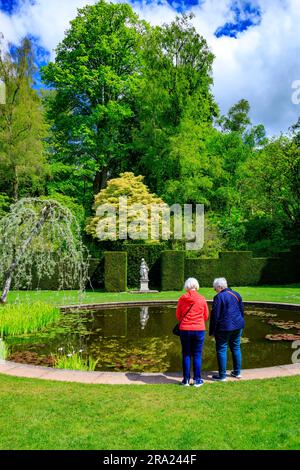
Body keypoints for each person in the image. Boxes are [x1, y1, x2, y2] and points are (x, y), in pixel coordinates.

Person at [209, 277, 245, 381]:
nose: (215, 290)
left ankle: (222, 376)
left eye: (215, 288)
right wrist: (240, 322)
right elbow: (241, 311)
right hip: (238, 326)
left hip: (224, 328)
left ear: (220, 287)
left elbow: (215, 316)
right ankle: (237, 373)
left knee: (221, 349)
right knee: (236, 347)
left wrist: (212, 331)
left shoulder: (219, 297)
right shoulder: (236, 294)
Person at [176, 277, 209, 387]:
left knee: (186, 354)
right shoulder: (202, 298)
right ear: (196, 286)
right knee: (197, 355)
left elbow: (178, 315)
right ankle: (197, 380)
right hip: (199, 329)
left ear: (186, 286)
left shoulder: (182, 298)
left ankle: (185, 380)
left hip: (185, 329)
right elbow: (206, 316)